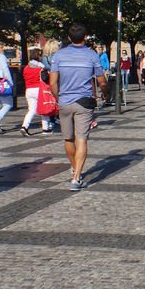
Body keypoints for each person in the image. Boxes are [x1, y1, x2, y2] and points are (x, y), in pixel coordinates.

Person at [50, 24, 107, 191]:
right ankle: (76, 178)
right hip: (84, 102)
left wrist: (58, 98)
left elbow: (52, 82)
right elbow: (101, 80)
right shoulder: (92, 55)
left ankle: (75, 168)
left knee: (68, 138)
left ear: (69, 38)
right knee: (81, 138)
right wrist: (105, 92)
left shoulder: (59, 55)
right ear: (85, 37)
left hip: (64, 101)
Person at [20, 48, 52, 136]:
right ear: (38, 56)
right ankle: (45, 128)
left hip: (28, 90)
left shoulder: (26, 67)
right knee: (43, 108)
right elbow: (45, 78)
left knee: (31, 110)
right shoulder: (41, 67)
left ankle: (24, 126)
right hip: (39, 89)